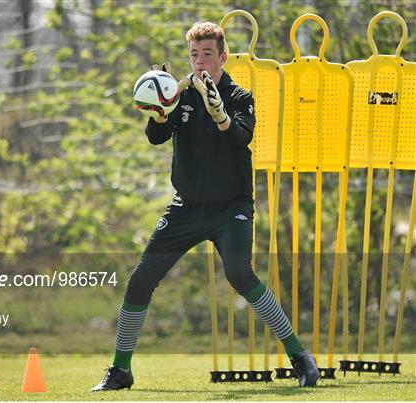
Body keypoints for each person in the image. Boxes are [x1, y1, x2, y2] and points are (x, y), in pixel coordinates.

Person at [92, 21, 319, 391]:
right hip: (186, 208)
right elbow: (155, 137)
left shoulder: (240, 96)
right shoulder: (179, 93)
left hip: (231, 208)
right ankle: (120, 370)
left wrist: (222, 117)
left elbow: (240, 138)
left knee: (239, 275)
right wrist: (160, 107)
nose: (200, 62)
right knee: (140, 281)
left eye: (207, 54)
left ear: (223, 57)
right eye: (194, 55)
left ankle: (300, 357)